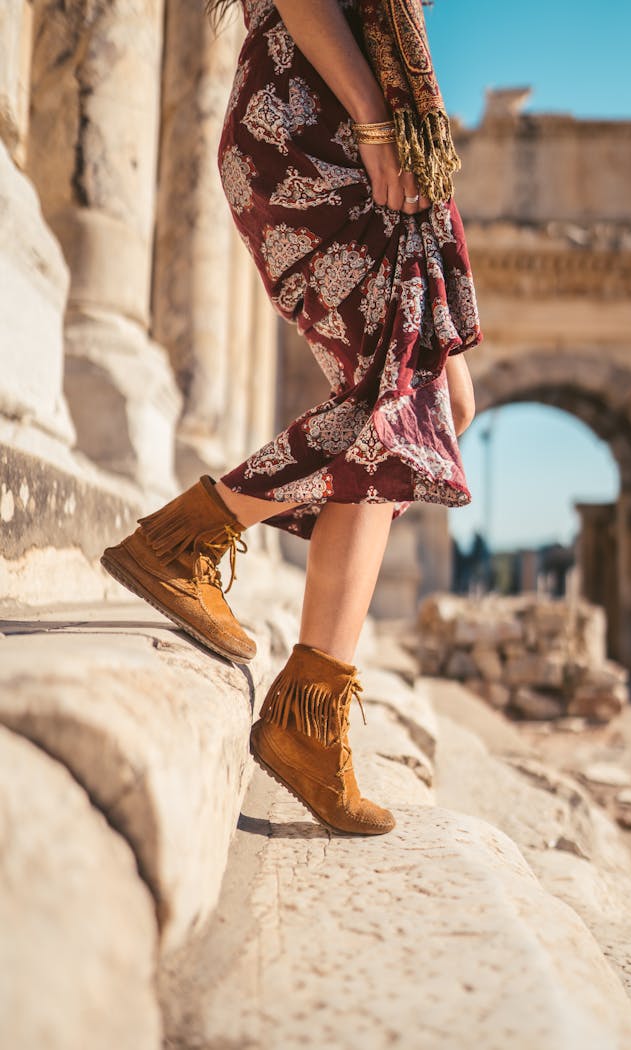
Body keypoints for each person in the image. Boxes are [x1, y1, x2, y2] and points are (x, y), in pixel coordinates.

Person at [102, 0, 482, 837]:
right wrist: (379, 126)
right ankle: (192, 550)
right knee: (402, 407)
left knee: (439, 404)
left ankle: (300, 698)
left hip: (377, 151)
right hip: (321, 131)